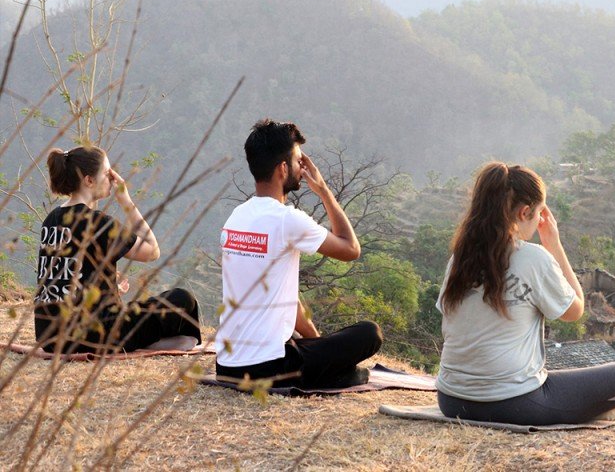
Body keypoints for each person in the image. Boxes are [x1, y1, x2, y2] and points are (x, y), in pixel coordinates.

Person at [435, 162, 615, 425]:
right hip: (515, 404)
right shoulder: (533, 257)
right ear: (525, 212)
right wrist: (554, 245)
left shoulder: (459, 260)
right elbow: (575, 311)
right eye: (538, 215)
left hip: (452, 401)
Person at [215, 119, 383, 388]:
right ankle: (335, 374)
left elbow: (286, 301)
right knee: (369, 333)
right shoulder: (286, 219)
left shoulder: (236, 217)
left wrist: (316, 343)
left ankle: (332, 370)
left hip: (226, 366)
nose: (302, 168)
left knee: (300, 339)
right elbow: (351, 249)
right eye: (297, 161)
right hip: (269, 368)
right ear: (283, 169)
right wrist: (324, 190)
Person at [35, 146, 201, 354]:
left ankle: (143, 340)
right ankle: (148, 341)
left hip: (49, 335)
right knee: (182, 298)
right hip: (90, 334)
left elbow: (66, 275)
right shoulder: (99, 223)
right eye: (107, 173)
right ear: (88, 180)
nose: (112, 179)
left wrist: (109, 286)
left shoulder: (51, 219)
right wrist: (126, 200)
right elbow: (152, 251)